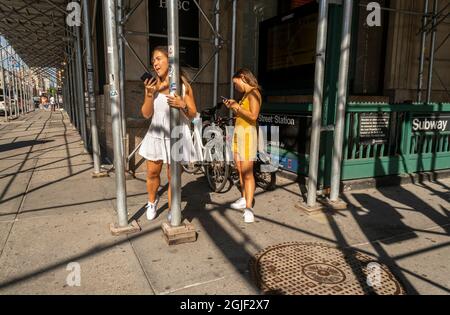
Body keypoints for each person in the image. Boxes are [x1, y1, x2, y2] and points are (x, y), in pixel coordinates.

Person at [139, 46, 198, 221]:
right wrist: (149, 95)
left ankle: (173, 207)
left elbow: (193, 113)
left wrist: (183, 105)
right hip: (156, 133)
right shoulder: (153, 86)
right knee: (152, 173)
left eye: (158, 59)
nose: (154, 64)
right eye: (153, 61)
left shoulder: (182, 86)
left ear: (169, 60)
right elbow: (146, 113)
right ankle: (152, 201)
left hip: (177, 135)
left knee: (173, 177)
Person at [223, 68, 262, 224]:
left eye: (235, 83)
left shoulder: (254, 93)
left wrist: (237, 107)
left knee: (247, 172)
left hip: (247, 136)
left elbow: (254, 115)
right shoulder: (246, 95)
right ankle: (244, 197)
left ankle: (249, 209)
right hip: (239, 134)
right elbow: (244, 114)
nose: (235, 86)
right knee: (239, 169)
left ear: (243, 77)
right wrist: (234, 106)